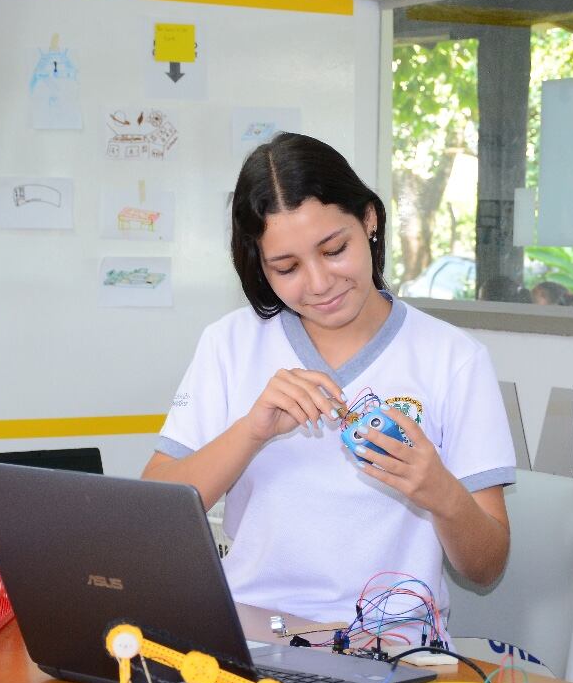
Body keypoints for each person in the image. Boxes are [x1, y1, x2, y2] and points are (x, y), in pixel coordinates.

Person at [142, 133, 515, 625]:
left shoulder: (453, 358)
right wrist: (251, 431)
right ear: (260, 265)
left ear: (369, 221)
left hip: (394, 646)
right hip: (250, 635)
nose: (319, 284)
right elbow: (152, 520)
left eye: (334, 249)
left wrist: (439, 491)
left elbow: (486, 568)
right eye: (287, 266)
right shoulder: (229, 344)